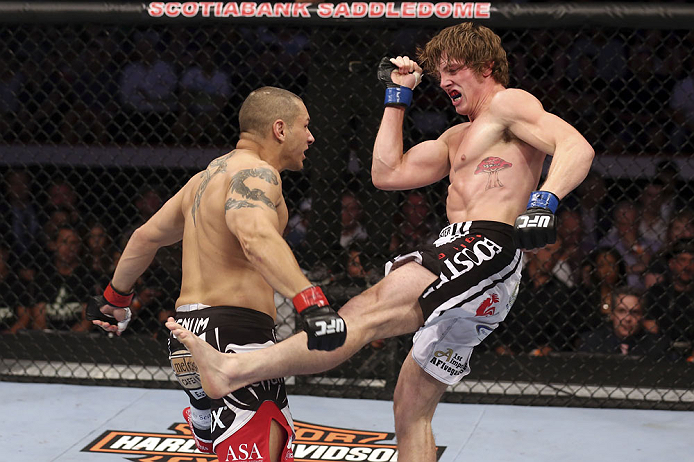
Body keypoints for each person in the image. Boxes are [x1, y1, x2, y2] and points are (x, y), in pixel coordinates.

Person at [165, 23, 594, 462]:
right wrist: (398, 96)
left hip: (486, 243)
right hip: (478, 273)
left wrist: (545, 200)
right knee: (411, 405)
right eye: (439, 73)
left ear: (486, 67)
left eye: (453, 70)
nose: (443, 81)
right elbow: (387, 174)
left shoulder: (509, 103)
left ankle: (233, 368)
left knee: (363, 313)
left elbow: (575, 145)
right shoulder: (456, 138)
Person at [88, 86, 345, 462]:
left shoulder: (202, 180)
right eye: (305, 126)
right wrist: (312, 303)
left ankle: (203, 411)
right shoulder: (258, 173)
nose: (311, 137)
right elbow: (254, 237)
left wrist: (115, 299)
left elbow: (144, 238)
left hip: (186, 338)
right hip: (237, 337)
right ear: (279, 129)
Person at [578, 286, 669, 358]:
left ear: (642, 316)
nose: (628, 318)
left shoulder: (657, 346)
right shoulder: (591, 343)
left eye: (634, 312)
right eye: (621, 311)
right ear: (612, 314)